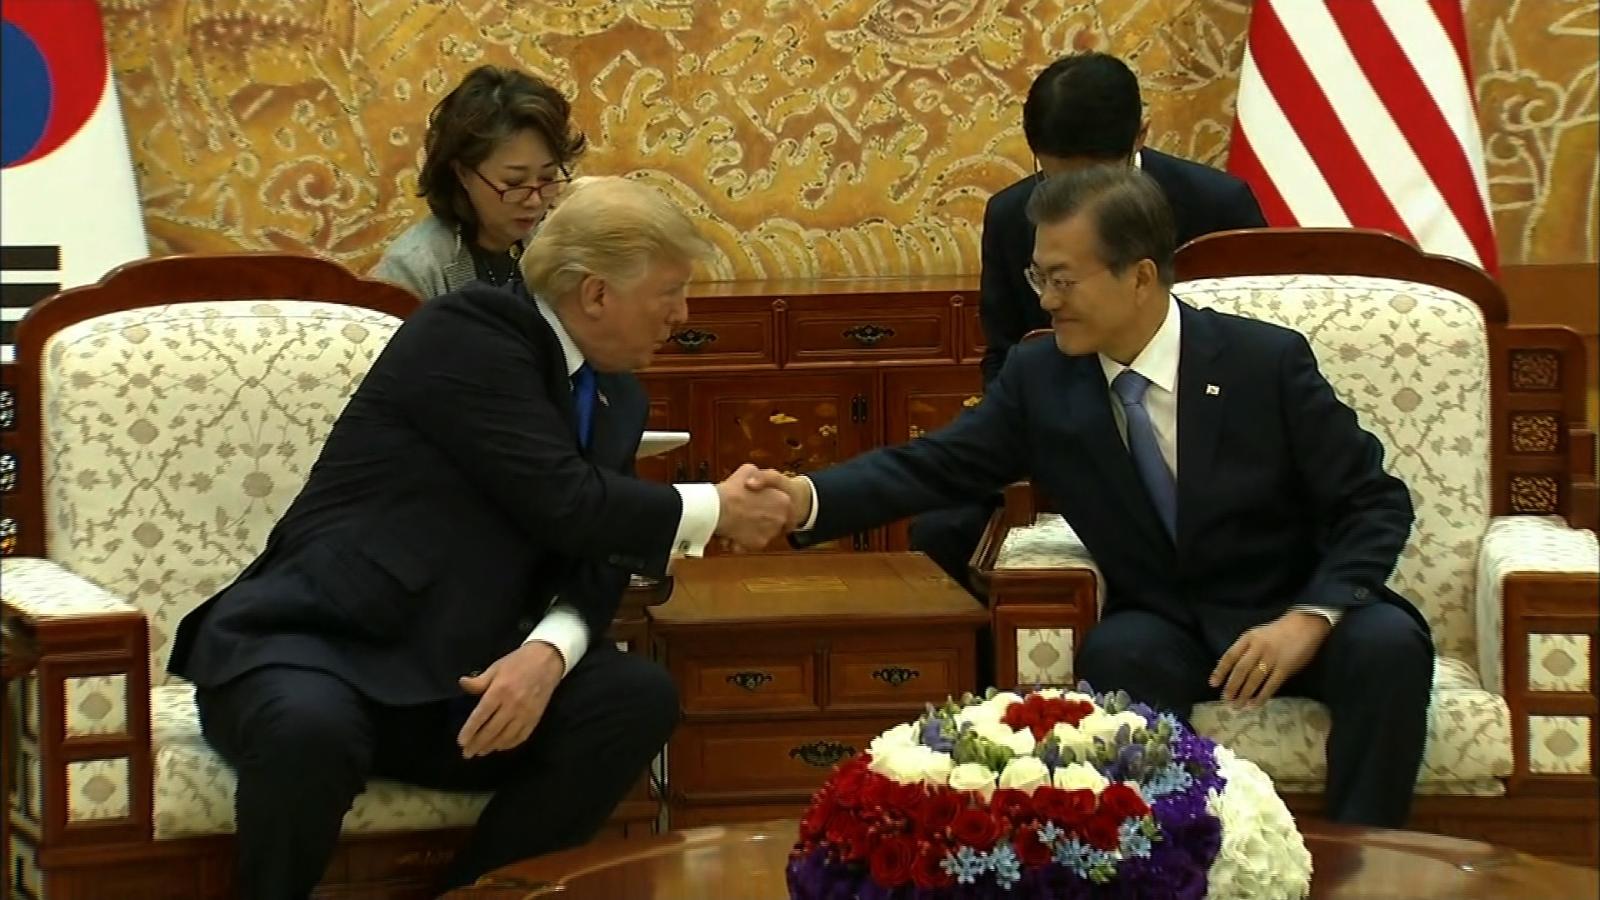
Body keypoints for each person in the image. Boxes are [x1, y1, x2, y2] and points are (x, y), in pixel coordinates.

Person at [168, 176, 794, 899]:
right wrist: (712, 508)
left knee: (634, 698)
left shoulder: (617, 393)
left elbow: (596, 557)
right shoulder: (472, 333)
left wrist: (546, 655)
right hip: (316, 647)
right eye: (670, 292)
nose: (682, 315)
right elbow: (566, 500)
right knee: (311, 732)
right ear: (595, 294)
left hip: (455, 678)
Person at [758, 166, 1432, 828]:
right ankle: (1160, 861)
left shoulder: (1263, 362)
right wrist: (804, 497)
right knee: (1118, 657)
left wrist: (1310, 617)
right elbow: (933, 466)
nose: (1047, 300)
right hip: (1169, 621)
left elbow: (1374, 501)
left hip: (1293, 601)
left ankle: (1362, 860)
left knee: (1390, 644)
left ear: (1140, 276)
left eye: (1063, 280)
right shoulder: (1042, 378)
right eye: (1038, 278)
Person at [909, 51, 1268, 593]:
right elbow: (1002, 351)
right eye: (1053, 179)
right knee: (941, 527)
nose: (1074, 202)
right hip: (1069, 434)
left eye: (1095, 177)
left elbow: (1254, 349)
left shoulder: (1217, 206)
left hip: (1196, 437)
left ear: (1140, 136)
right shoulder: (1011, 216)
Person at [371, 64, 585, 299]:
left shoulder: (555, 247)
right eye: (514, 182)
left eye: (547, 177)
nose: (535, 200)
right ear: (463, 173)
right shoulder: (414, 269)